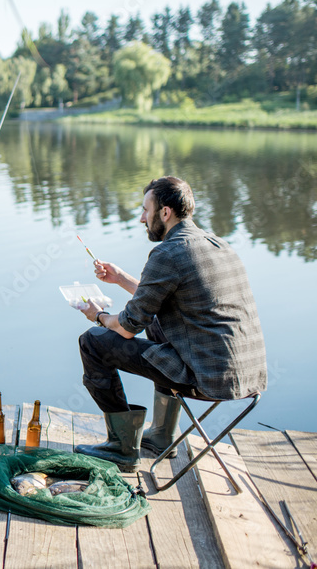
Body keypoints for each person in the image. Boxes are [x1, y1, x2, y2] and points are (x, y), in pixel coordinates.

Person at [74, 176, 267, 471]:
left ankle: (122, 447)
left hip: (209, 378)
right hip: (247, 374)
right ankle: (163, 435)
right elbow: (162, 299)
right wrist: (121, 278)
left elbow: (127, 327)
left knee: (93, 342)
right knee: (158, 323)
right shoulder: (218, 245)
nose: (142, 218)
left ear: (165, 213)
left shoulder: (168, 252)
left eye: (145, 210)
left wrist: (98, 315)